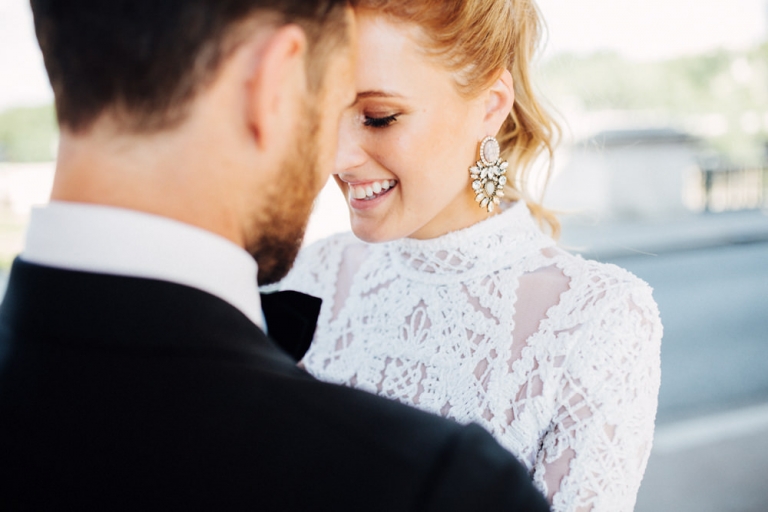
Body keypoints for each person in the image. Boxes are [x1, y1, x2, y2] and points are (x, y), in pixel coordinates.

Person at [0, 1, 551, 511]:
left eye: (376, 115)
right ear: (276, 82)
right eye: (332, 99)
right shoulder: (438, 489)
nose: (335, 156)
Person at [278, 1, 663, 511]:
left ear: (490, 104)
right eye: (324, 111)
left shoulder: (597, 321)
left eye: (378, 117)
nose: (335, 156)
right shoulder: (311, 273)